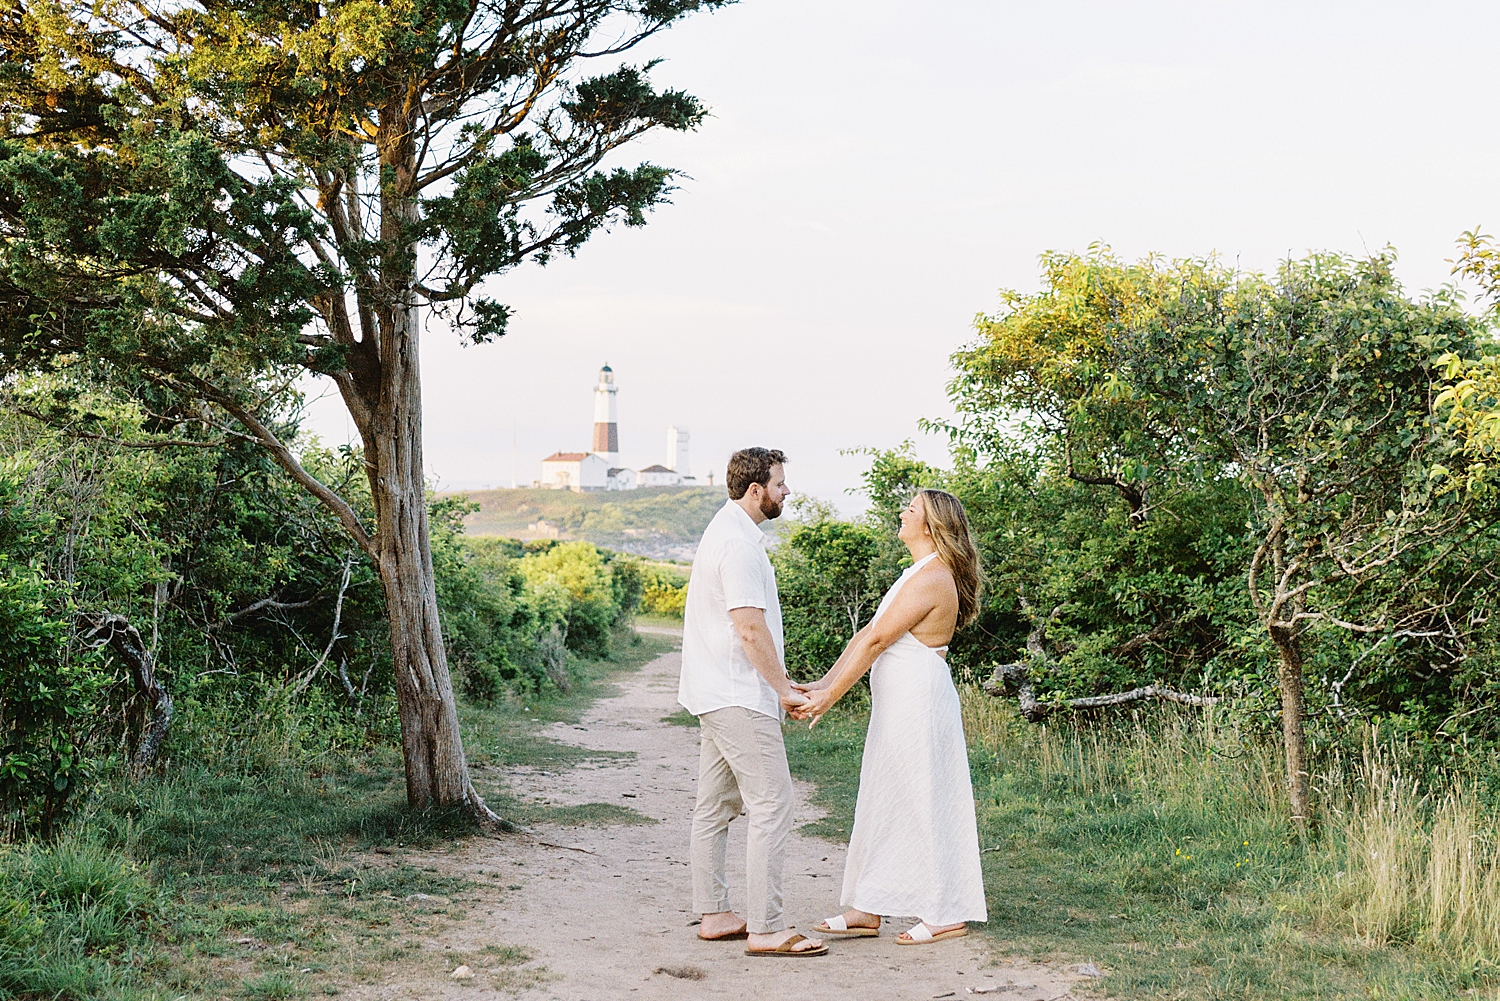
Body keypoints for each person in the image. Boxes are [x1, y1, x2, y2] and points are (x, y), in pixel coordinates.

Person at [791, 489, 988, 945]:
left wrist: (829, 699)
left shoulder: (934, 576)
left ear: (931, 525)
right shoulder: (915, 572)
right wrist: (823, 684)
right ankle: (867, 907)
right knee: (883, 796)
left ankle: (944, 912)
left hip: (920, 704)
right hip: (898, 704)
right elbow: (866, 635)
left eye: (912, 509)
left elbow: (878, 641)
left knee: (923, 799)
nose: (903, 513)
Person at [677, 448, 826, 958]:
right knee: (773, 804)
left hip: (716, 691)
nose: (787, 492)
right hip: (738, 694)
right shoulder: (738, 544)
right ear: (756, 489)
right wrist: (783, 688)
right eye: (780, 483)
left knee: (714, 808)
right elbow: (747, 626)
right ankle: (767, 927)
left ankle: (716, 914)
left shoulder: (725, 531)